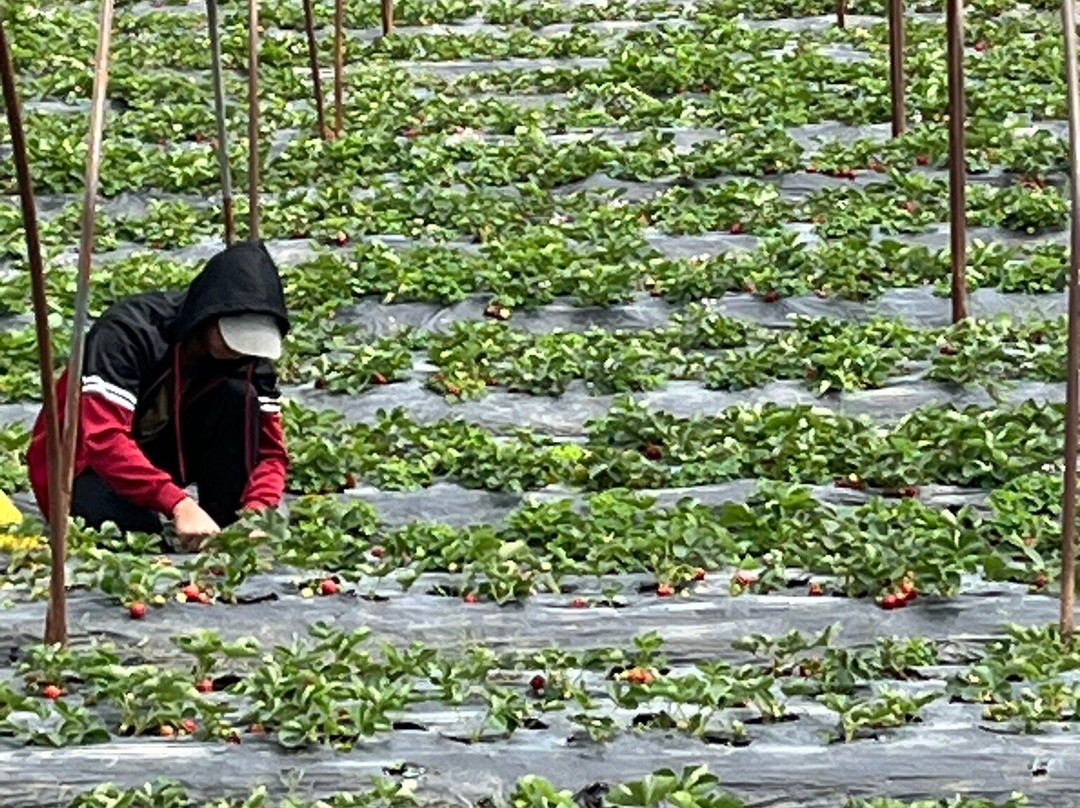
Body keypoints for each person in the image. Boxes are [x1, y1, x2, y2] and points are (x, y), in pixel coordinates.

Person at [27, 241, 291, 548]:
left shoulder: (249, 359)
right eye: (233, 334)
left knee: (238, 395)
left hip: (159, 456)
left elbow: (270, 453)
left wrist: (257, 510)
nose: (239, 349)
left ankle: (222, 521)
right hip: (81, 465)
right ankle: (163, 513)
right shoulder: (128, 334)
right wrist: (178, 503)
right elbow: (103, 438)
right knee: (133, 537)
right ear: (209, 313)